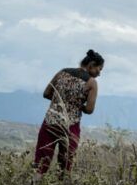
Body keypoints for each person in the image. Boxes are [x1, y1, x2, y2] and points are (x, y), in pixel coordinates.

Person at [32, 49, 104, 177]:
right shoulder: (92, 83)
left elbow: (46, 93)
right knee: (65, 166)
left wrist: (60, 101)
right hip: (70, 126)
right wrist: (76, 104)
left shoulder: (62, 72)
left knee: (41, 163)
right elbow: (89, 110)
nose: (99, 73)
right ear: (91, 65)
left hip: (50, 122)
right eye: (99, 69)